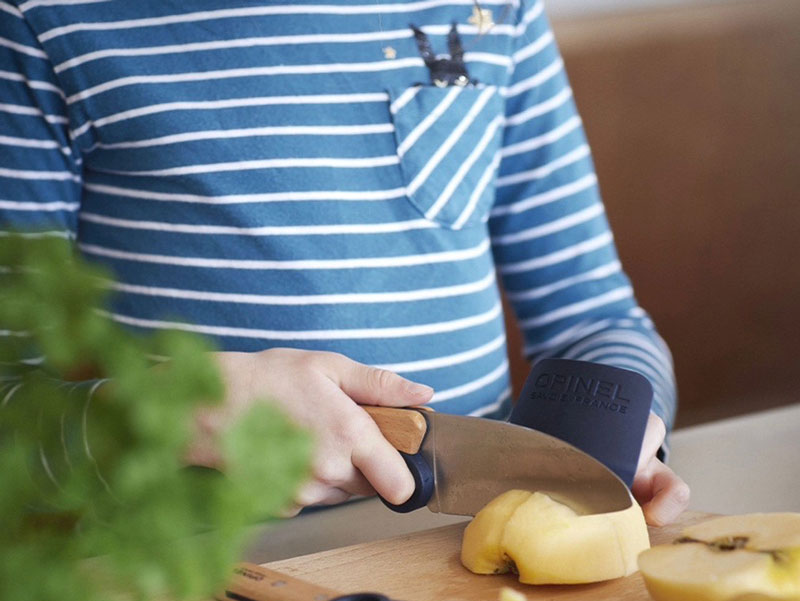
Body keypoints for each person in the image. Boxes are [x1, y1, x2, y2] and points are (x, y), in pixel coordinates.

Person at [0, 0, 688, 525]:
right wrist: (170, 414)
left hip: (464, 547)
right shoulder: (39, 22)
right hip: (190, 576)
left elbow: (594, 321)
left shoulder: (498, 11)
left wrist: (619, 421)